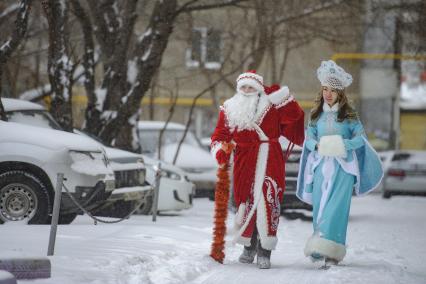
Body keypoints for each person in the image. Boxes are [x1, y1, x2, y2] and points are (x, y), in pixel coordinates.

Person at [210, 70, 305, 269]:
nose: (246, 90)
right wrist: (220, 151)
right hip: (244, 160)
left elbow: (294, 119)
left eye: (251, 87)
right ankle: (249, 245)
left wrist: (283, 98)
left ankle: (265, 249)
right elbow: (219, 135)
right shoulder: (228, 108)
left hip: (269, 157)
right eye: (243, 86)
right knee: (245, 201)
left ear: (259, 89)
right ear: (238, 88)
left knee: (267, 201)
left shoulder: (272, 105)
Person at [296, 60, 384, 267]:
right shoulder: (316, 114)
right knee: (320, 207)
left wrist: (340, 144)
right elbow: (308, 139)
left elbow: (360, 139)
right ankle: (319, 249)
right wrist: (318, 146)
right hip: (320, 166)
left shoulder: (349, 114)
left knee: (336, 208)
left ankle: (332, 251)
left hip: (344, 167)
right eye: (325, 89)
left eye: (333, 90)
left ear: (340, 93)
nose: (328, 93)